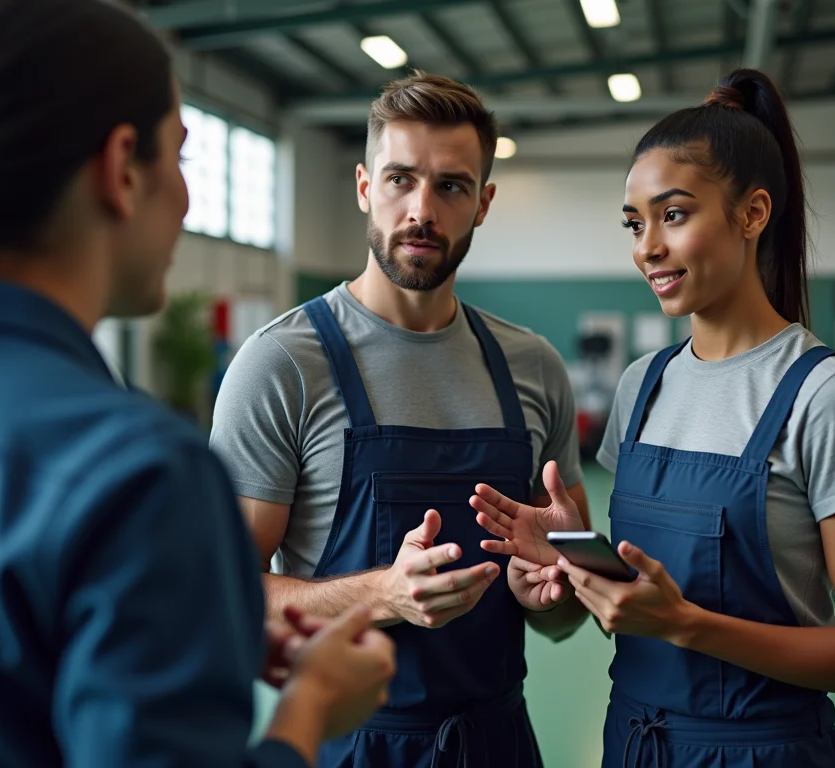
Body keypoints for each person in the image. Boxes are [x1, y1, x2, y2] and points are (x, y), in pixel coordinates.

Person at [0, 1, 396, 766]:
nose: (188, 200)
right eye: (181, 156)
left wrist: (180, 632)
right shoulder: (137, 473)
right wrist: (310, 709)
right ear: (122, 167)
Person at [471, 69, 835, 767]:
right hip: (635, 744)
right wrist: (572, 557)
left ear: (752, 214)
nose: (647, 247)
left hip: (762, 752)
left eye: (673, 215)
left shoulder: (826, 396)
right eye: (634, 223)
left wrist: (690, 627)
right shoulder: (644, 385)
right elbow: (649, 591)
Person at [209, 71, 590, 767]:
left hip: (499, 745)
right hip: (350, 747)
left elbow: (567, 617)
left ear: (483, 203)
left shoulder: (534, 368)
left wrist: (553, 589)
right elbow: (222, 593)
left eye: (451, 186)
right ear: (363, 187)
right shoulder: (282, 365)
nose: (422, 210)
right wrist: (381, 593)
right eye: (399, 180)